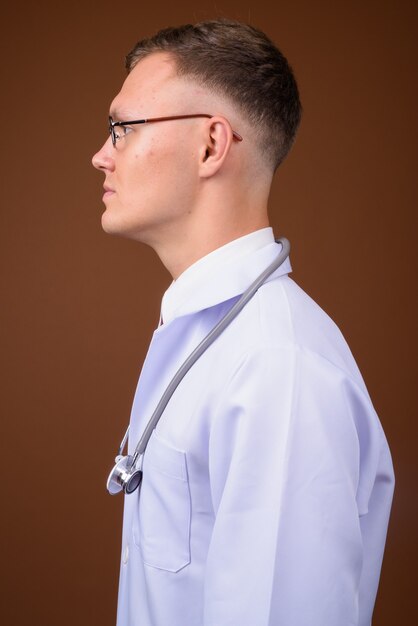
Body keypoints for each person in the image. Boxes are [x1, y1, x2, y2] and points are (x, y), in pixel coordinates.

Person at [92, 19, 394, 626]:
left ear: (210, 145)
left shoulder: (276, 367)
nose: (100, 156)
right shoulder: (206, 336)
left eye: (122, 129)